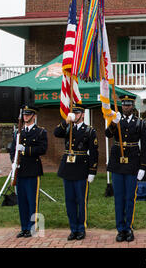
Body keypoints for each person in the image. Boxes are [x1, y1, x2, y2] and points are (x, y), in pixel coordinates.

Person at [105, 94, 146, 242]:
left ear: (133, 106)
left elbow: (145, 146)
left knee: (130, 198)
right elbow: (107, 134)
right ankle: (120, 229)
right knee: (119, 198)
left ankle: (128, 228)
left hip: (132, 164)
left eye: (129, 105)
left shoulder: (140, 123)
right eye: (124, 105)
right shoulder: (116, 120)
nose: (126, 107)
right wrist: (113, 123)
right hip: (117, 163)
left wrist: (143, 166)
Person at [54, 103, 98, 241]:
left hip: (81, 168)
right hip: (67, 168)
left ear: (83, 114)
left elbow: (94, 153)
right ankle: (73, 228)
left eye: (78, 113)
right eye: (74, 113)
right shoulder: (67, 127)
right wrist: (66, 121)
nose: (76, 115)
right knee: (69, 201)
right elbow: (56, 133)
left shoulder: (89, 131)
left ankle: (81, 228)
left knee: (81, 200)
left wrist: (92, 171)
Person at [10, 105, 48, 238]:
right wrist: (13, 162)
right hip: (20, 171)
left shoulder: (40, 132)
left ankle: (32, 227)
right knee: (22, 201)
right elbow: (12, 150)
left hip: (32, 170)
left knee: (32, 200)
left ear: (34, 116)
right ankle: (24, 227)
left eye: (28, 114)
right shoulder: (18, 132)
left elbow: (43, 149)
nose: (25, 117)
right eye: (24, 115)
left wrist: (26, 149)